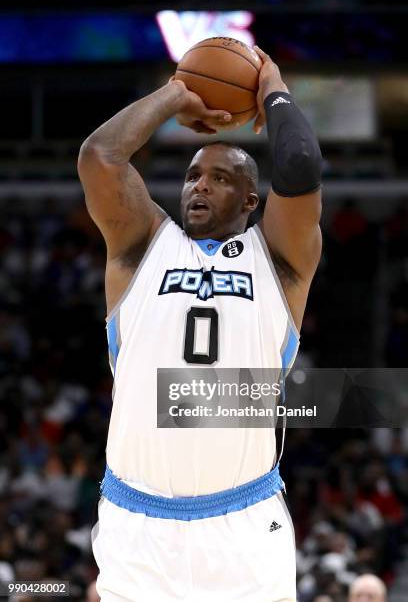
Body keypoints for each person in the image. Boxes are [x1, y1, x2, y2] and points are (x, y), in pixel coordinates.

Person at [78, 45, 322, 602]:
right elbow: (100, 158)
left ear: (252, 199)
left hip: (244, 526)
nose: (199, 185)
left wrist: (272, 89)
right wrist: (175, 95)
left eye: (219, 177)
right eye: (192, 175)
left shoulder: (279, 260)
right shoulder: (142, 246)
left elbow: (302, 165)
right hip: (136, 527)